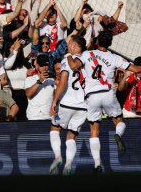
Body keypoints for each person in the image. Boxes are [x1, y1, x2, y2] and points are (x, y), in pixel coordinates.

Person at [67, 30, 141, 172]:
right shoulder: (114, 57)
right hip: (108, 93)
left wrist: (69, 55)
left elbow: (74, 66)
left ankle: (97, 164)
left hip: (92, 96)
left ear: (97, 41)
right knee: (118, 121)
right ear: (110, 43)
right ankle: (117, 134)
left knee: (94, 129)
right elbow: (136, 69)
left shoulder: (87, 54)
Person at [49, 35, 87, 175]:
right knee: (72, 136)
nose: (68, 45)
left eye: (70, 43)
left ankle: (58, 156)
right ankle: (68, 164)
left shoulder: (67, 59)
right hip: (83, 106)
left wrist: (54, 102)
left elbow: (63, 82)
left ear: (75, 47)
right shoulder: (87, 59)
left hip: (67, 102)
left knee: (55, 127)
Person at [25, 53, 55, 120]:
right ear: (37, 66)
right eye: (42, 65)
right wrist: (40, 80)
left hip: (49, 116)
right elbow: (28, 94)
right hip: (33, 116)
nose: (44, 67)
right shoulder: (30, 79)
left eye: (46, 65)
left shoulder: (52, 80)